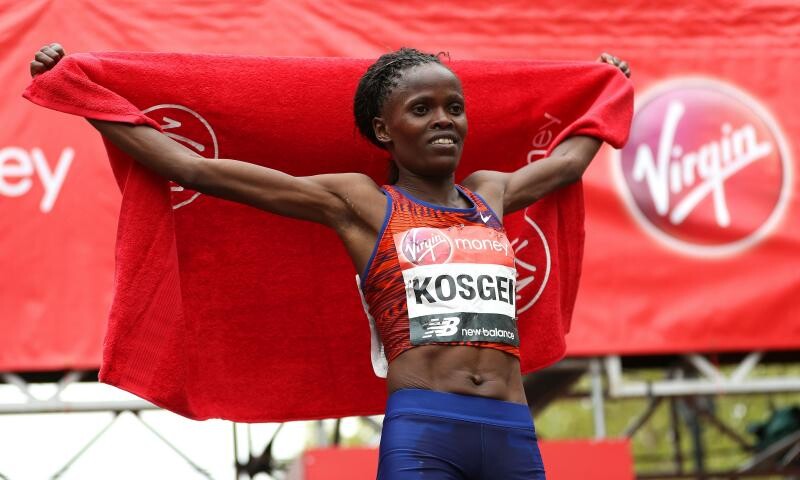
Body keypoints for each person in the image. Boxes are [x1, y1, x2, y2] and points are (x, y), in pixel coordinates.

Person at [31, 43, 630, 479]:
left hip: (512, 429)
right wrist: (82, 94)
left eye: (454, 106)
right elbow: (193, 169)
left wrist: (608, 89)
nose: (443, 119)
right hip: (426, 432)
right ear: (384, 130)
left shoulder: (490, 193)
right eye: (421, 109)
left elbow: (568, 163)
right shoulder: (362, 203)